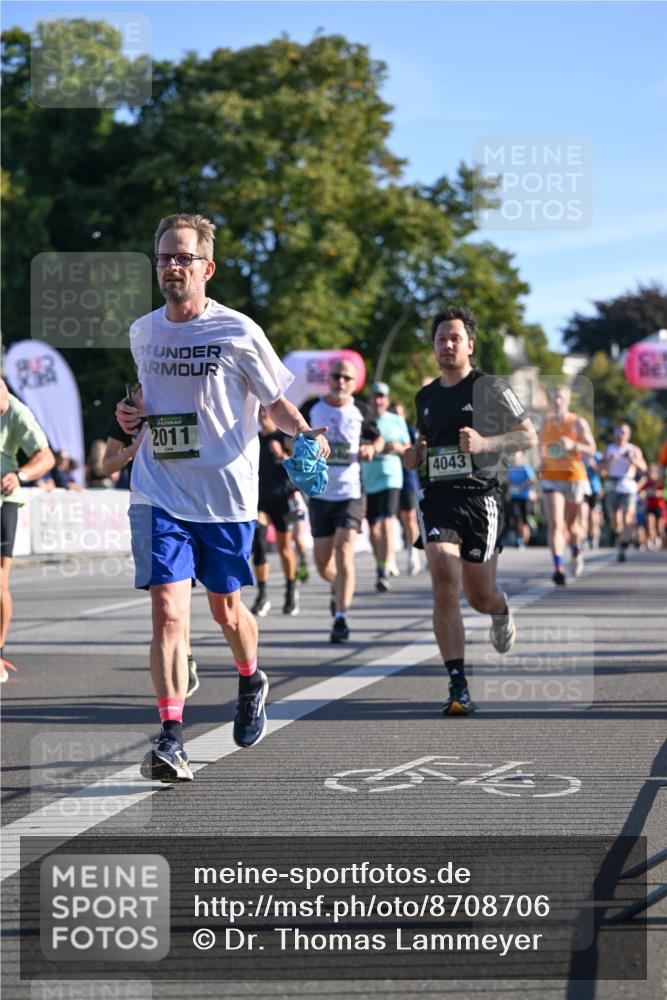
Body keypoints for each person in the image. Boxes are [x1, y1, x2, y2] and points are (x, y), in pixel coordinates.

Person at [115, 213, 328, 783]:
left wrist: (304, 433)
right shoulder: (143, 332)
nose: (172, 267)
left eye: (183, 257)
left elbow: (274, 403)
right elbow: (146, 402)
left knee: (227, 611)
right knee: (166, 609)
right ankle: (170, 737)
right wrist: (129, 414)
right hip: (159, 489)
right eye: (164, 257)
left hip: (226, 495)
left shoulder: (238, 331)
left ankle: (251, 675)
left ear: (207, 267)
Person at [404, 306, 537, 716]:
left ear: (470, 345)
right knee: (444, 580)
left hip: (481, 499)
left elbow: (527, 436)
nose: (447, 345)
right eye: (441, 338)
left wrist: (485, 445)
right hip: (438, 498)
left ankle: (500, 610)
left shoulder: (491, 388)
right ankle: (457, 683)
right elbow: (423, 445)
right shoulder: (424, 396)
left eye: (455, 338)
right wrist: (415, 455)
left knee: (479, 596)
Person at [301, 359, 382, 644]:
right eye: (337, 376)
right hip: (320, 493)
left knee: (344, 549)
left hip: (350, 492)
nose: (341, 382)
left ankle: (341, 618)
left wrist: (372, 447)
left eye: (348, 378)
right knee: (323, 564)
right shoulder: (312, 408)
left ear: (354, 382)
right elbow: (294, 437)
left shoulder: (362, 410)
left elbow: (377, 439)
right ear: (329, 379)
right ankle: (339, 587)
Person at [0, 378, 55, 680]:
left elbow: (46, 458)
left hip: (3, 497)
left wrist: (19, 475)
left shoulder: (17, 411)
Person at [538, 384, 596, 584]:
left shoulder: (577, 422)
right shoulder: (545, 423)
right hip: (551, 477)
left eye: (561, 397)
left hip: (573, 477)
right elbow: (541, 450)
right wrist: (540, 467)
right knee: (556, 523)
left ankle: (576, 551)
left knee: (573, 527)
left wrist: (574, 445)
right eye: (555, 397)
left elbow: (592, 448)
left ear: (568, 400)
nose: (557, 401)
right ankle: (558, 567)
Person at [250, 406, 300, 618]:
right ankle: (262, 594)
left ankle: (291, 590)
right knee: (259, 546)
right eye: (259, 411)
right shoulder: (253, 438)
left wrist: (282, 457)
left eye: (266, 411)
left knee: (284, 548)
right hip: (259, 501)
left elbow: (298, 468)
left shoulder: (284, 437)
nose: (263, 415)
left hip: (281, 499)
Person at [360, 382, 410, 592]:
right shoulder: (363, 420)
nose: (378, 400)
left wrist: (397, 447)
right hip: (369, 478)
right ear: (370, 400)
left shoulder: (396, 421)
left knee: (387, 522)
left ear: (387, 400)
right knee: (373, 529)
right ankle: (381, 561)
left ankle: (383, 570)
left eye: (382, 397)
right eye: (374, 397)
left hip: (391, 476)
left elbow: (408, 447)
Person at [600, 423, 647, 562]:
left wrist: (634, 460)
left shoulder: (634, 449)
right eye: (619, 432)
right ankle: (620, 537)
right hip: (612, 484)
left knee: (628, 517)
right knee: (615, 520)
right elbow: (601, 469)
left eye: (624, 432)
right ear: (616, 434)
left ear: (628, 435)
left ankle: (623, 546)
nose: (621, 435)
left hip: (628, 485)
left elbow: (644, 468)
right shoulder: (609, 449)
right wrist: (609, 461)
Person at [391, 401, 422, 576]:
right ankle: (390, 558)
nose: (396, 416)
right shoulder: (385, 427)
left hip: (408, 479)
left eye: (399, 412)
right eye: (393, 412)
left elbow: (417, 451)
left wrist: (400, 448)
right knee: (390, 519)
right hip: (388, 479)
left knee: (409, 517)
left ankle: (414, 551)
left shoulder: (410, 430)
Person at [506, 451, 537, 547]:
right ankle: (519, 538)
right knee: (516, 517)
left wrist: (522, 486)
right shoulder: (511, 468)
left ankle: (524, 539)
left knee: (524, 520)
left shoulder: (525, 467)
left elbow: (533, 479)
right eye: (513, 456)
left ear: (521, 457)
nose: (514, 458)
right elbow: (508, 481)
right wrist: (509, 489)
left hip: (524, 497)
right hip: (514, 497)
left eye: (516, 456)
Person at [640, 463, 666, 550]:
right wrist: (644, 493)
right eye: (650, 473)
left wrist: (659, 493)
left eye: (653, 473)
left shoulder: (660, 483)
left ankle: (659, 539)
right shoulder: (647, 483)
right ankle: (652, 540)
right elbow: (641, 492)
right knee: (650, 523)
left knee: (659, 526)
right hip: (650, 506)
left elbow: (663, 493)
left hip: (659, 507)